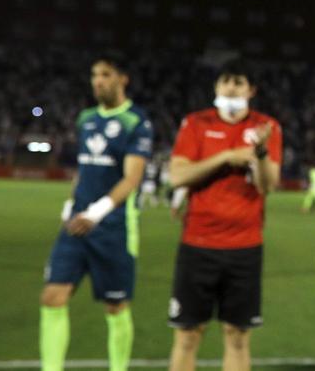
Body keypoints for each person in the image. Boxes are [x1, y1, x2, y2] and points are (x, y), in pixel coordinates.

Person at [39, 55, 153, 371]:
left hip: (113, 227)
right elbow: (84, 169)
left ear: (122, 78)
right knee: (52, 296)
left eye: (105, 74)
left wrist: (97, 212)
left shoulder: (136, 121)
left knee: (115, 307)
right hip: (77, 223)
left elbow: (132, 178)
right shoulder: (86, 118)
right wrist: (69, 206)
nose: (97, 81)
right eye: (94, 75)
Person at [166, 62, 283, 371]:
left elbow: (267, 185)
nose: (231, 88)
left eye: (238, 82)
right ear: (216, 87)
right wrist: (226, 157)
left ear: (251, 90)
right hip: (197, 244)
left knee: (237, 337)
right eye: (225, 82)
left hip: (244, 247)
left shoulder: (266, 127)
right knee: (188, 335)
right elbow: (177, 176)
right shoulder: (195, 124)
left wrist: (260, 153)